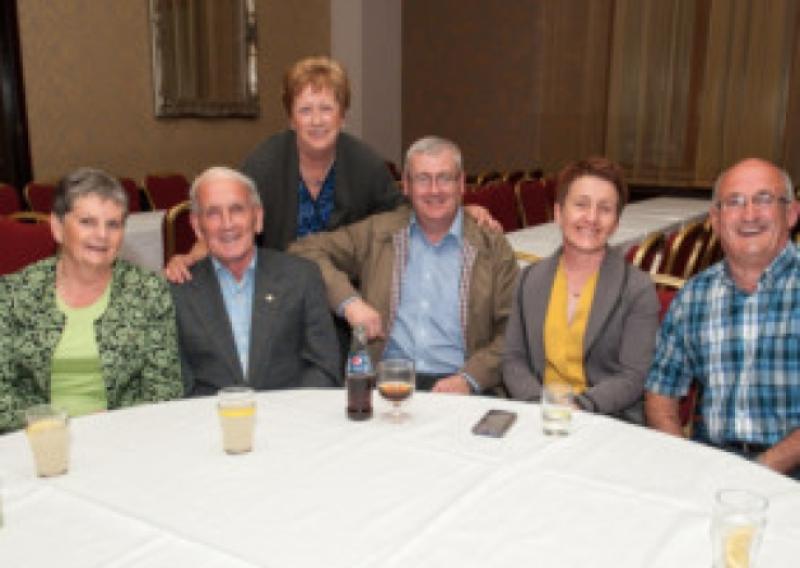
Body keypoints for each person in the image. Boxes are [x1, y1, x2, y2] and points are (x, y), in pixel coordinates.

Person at [165, 55, 498, 282]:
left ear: (343, 115)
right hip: (274, 294)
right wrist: (190, 258)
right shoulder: (263, 163)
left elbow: (406, 215)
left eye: (327, 108)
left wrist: (460, 212)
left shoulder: (365, 163)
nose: (317, 120)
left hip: (345, 300)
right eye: (305, 109)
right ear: (291, 117)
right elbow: (229, 219)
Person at [290, 136, 518, 393]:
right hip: (385, 382)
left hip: (461, 384)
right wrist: (349, 302)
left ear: (461, 184)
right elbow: (304, 249)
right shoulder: (378, 233)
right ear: (406, 186)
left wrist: (470, 379)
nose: (434, 190)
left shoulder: (492, 248)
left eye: (444, 178)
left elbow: (513, 332)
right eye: (422, 179)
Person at [645, 158, 800, 478]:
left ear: (792, 213)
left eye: (764, 199)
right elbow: (661, 392)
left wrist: (761, 470)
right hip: (711, 465)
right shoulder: (694, 296)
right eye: (735, 202)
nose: (749, 215)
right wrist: (684, 463)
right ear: (715, 220)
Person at [0, 168, 182, 432]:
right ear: (58, 227)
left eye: (113, 224)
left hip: (125, 439)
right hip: (34, 441)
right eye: (87, 222)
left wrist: (111, 424)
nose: (102, 235)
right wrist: (53, 424)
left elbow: (165, 391)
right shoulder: (15, 293)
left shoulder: (148, 291)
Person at [503, 157, 659, 422]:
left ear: (616, 222)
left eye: (605, 209)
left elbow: (633, 375)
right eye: (581, 205)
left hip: (608, 420)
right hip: (536, 413)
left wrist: (580, 406)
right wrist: (541, 404)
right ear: (558, 213)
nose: (592, 218)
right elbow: (512, 358)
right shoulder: (528, 280)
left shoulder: (637, 288)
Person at [171, 167, 340, 396]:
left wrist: (287, 416)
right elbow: (176, 382)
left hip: (292, 421)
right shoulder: (178, 289)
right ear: (197, 227)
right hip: (209, 423)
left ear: (257, 218)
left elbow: (324, 366)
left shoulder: (301, 277)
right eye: (213, 213)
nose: (227, 223)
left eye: (237, 209)